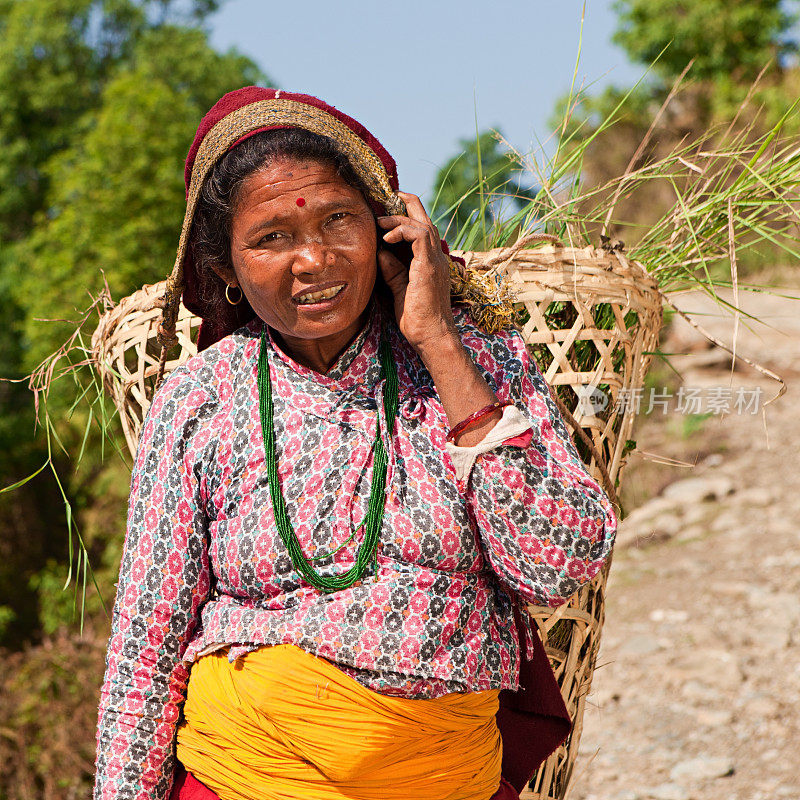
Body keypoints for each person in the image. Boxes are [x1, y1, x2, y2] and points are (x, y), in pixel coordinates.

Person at [93, 87, 618, 800]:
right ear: (226, 273)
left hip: (440, 775)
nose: (314, 259)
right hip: (248, 774)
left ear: (388, 232)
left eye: (339, 220)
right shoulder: (200, 402)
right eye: (271, 237)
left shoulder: (479, 366)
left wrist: (438, 341)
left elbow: (557, 565)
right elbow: (145, 649)